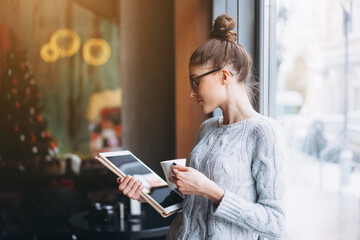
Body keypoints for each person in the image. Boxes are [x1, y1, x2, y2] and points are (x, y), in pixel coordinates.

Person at [117, 14, 287, 240]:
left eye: (195, 81)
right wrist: (147, 194)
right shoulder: (207, 128)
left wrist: (211, 190)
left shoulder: (265, 132)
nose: (191, 91)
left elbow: (275, 223)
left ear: (224, 76)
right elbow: (191, 204)